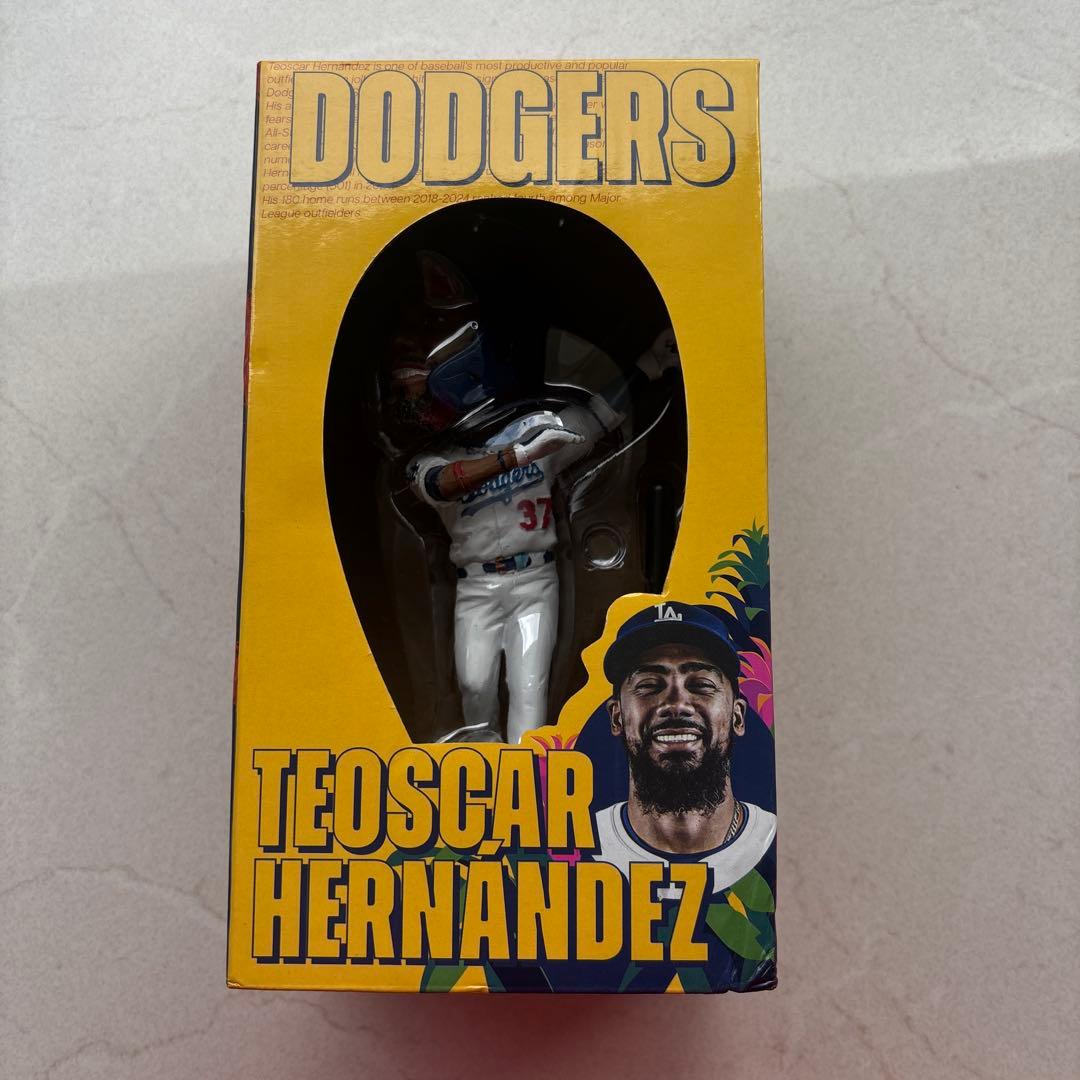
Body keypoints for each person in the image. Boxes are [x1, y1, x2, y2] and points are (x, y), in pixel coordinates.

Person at [407, 330, 678, 744]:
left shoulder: (533, 429)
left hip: (534, 581)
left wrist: (647, 367)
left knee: (529, 689)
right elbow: (441, 484)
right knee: (474, 686)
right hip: (476, 586)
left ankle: (528, 770)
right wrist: (517, 456)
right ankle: (484, 764)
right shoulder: (431, 459)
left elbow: (598, 415)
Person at [596, 601, 776, 894]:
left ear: (738, 716)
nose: (676, 704)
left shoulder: (775, 841)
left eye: (701, 685)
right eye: (649, 685)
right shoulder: (581, 845)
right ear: (617, 717)